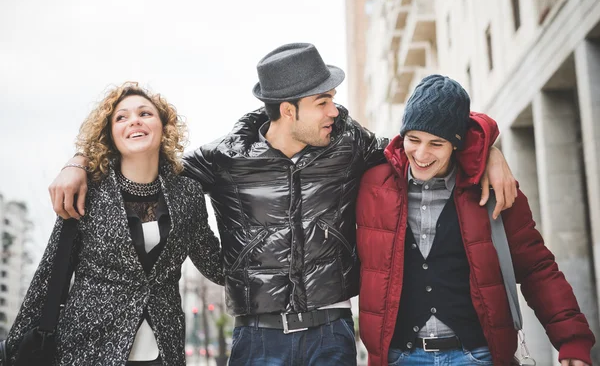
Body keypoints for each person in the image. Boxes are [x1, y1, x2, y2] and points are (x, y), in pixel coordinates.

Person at [48, 44, 517, 365]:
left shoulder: (349, 144)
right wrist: (78, 159)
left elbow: (424, 137)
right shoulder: (224, 158)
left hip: (332, 330)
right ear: (288, 110)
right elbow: (146, 158)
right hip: (257, 336)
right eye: (324, 100)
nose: (335, 109)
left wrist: (486, 144)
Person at [355, 74, 595, 366]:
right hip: (400, 357)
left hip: (477, 355)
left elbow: (537, 268)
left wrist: (572, 340)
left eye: (436, 144)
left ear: (456, 144)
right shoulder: (372, 186)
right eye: (413, 140)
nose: (421, 153)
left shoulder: (495, 189)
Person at [4, 83, 224, 365]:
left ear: (163, 127)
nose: (134, 120)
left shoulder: (188, 193)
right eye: (121, 117)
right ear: (111, 135)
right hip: (87, 348)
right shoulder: (88, 190)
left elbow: (215, 265)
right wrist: (14, 351)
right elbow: (50, 273)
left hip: (164, 350)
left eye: (145, 113)